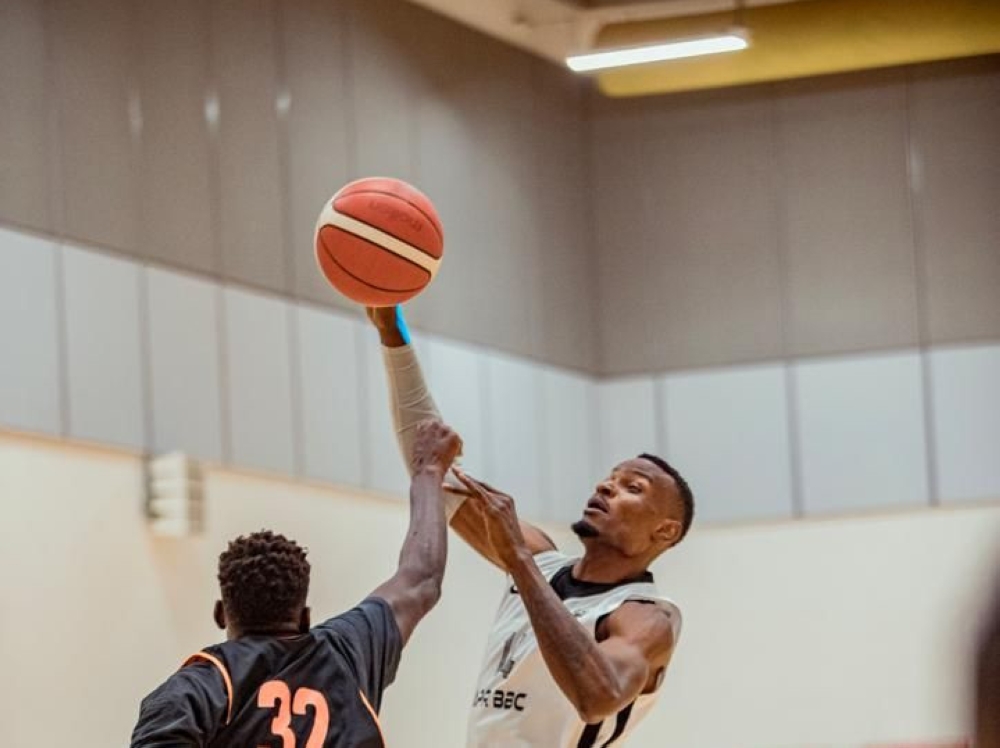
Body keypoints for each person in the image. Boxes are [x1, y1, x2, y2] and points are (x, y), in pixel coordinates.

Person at [369, 306, 694, 747]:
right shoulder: (541, 559)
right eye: (610, 477)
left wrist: (519, 562)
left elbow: (598, 698)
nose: (607, 486)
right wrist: (393, 338)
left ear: (665, 532)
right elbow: (431, 468)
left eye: (631, 487)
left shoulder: (646, 617)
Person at [131, 419, 463, 748]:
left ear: (221, 614)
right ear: (304, 617)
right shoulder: (347, 652)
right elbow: (421, 578)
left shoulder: (193, 693)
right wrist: (428, 470)